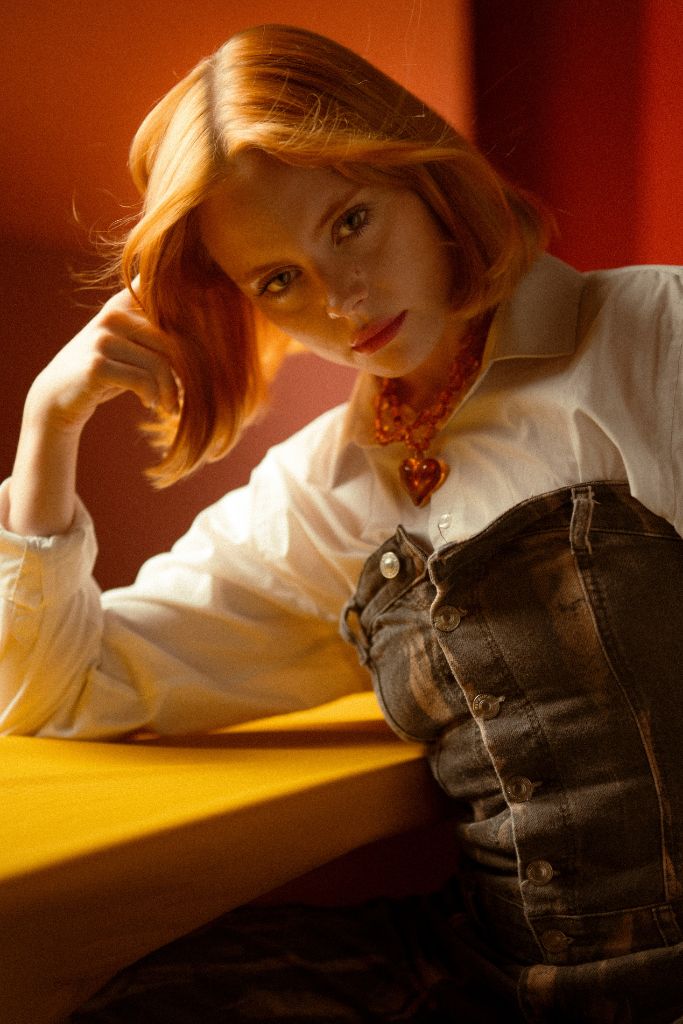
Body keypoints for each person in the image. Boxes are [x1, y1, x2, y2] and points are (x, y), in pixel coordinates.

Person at [1, 22, 682, 1024]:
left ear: (419, 176)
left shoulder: (652, 333)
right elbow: (53, 690)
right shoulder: (320, 494)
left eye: (350, 222)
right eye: (277, 279)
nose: (340, 298)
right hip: (486, 974)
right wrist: (47, 428)